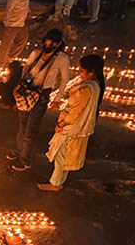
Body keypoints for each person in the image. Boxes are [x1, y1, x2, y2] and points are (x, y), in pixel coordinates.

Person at [7, 29, 70, 171]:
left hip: (41, 95)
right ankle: (18, 151)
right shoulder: (36, 54)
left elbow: (64, 79)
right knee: (22, 125)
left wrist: (58, 98)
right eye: (47, 43)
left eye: (52, 44)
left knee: (31, 129)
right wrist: (19, 86)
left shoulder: (61, 59)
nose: (48, 46)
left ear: (58, 44)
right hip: (26, 90)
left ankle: (24, 160)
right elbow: (26, 69)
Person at [40, 55, 105, 191]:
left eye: (81, 71)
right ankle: (59, 181)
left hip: (71, 126)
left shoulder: (86, 89)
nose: (78, 73)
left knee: (59, 154)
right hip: (78, 127)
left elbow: (76, 112)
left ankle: (55, 184)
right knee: (65, 155)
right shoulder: (95, 86)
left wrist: (62, 123)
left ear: (91, 72)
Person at [0, 0, 35, 65]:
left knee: (23, 39)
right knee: (6, 45)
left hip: (21, 23)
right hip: (11, 25)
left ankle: (11, 57)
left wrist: (29, 12)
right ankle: (1, 63)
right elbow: (8, 11)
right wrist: (6, 25)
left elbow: (26, 6)